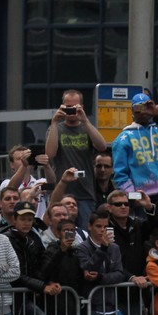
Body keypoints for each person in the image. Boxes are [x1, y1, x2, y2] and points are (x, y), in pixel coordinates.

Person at [44, 89, 107, 226]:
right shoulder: (56, 129)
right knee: (61, 231)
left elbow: (102, 146)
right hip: (62, 193)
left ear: (82, 107)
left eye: (75, 107)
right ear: (62, 107)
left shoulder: (87, 127)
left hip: (85, 193)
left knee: (85, 232)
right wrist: (54, 122)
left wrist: (85, 120)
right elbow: (50, 154)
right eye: (68, 107)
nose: (71, 111)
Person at [111, 92, 158, 207]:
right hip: (146, 198)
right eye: (138, 108)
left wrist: (157, 116)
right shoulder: (123, 139)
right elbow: (120, 175)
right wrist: (135, 198)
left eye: (146, 107)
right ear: (132, 110)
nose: (143, 112)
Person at [5, 201, 62, 315]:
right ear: (14, 219)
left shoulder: (34, 238)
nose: (26, 223)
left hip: (30, 295)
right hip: (13, 298)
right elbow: (17, 275)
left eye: (30, 219)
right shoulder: (7, 240)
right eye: (23, 219)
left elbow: (41, 265)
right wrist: (43, 286)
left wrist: (48, 282)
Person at [76, 207, 137, 315]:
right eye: (98, 226)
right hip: (92, 305)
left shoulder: (114, 248)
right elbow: (89, 268)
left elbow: (120, 274)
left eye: (105, 227)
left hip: (112, 304)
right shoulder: (82, 248)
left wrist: (100, 278)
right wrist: (103, 248)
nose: (102, 230)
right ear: (89, 226)